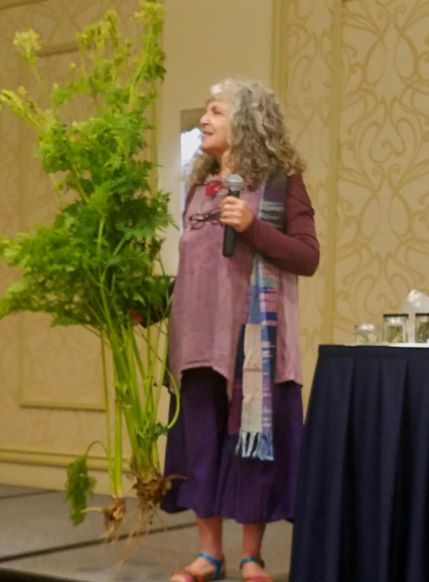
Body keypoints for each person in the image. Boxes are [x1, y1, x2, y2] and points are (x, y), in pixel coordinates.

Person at [161, 77, 319, 582]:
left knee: (252, 448)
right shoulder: (197, 188)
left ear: (247, 122)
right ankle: (210, 553)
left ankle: (251, 555)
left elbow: (307, 257)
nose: (203, 121)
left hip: (255, 347)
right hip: (196, 343)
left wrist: (253, 226)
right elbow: (192, 269)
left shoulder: (281, 181)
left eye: (215, 112)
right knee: (201, 447)